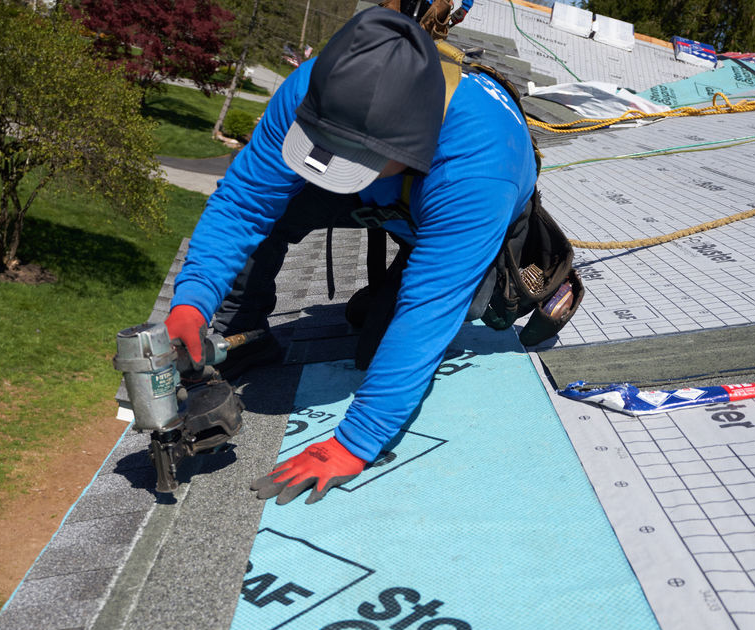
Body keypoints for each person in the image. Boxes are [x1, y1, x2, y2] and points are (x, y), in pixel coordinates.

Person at [164, 5, 536, 505]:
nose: (325, 165)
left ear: (410, 143)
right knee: (275, 210)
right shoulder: (314, 85)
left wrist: (355, 443)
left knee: (383, 341)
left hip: (449, 212)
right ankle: (244, 335)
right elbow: (244, 203)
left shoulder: (478, 168)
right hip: (388, 189)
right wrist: (191, 302)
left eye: (350, 159)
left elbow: (429, 308)